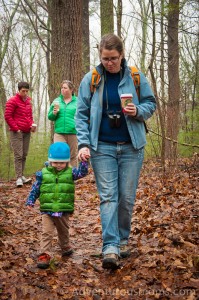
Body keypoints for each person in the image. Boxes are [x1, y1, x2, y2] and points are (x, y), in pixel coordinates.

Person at [75, 33, 156, 269]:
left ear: (121, 55)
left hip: (132, 146)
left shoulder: (136, 76)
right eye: (105, 58)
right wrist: (83, 143)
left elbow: (151, 104)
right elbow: (80, 115)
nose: (109, 62)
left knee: (126, 198)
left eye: (113, 58)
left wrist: (137, 111)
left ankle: (122, 240)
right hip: (102, 148)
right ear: (100, 56)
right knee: (108, 197)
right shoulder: (91, 79)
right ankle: (110, 246)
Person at [26, 142, 88, 269]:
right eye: (55, 162)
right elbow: (35, 188)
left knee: (63, 231)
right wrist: (31, 200)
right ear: (50, 161)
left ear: (67, 162)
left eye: (62, 162)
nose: (59, 165)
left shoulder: (71, 173)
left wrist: (83, 162)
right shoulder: (43, 174)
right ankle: (44, 254)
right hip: (47, 210)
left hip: (63, 210)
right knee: (46, 232)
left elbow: (82, 173)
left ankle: (65, 246)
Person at [4, 81, 36, 187]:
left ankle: (21, 175)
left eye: (27, 91)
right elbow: (8, 116)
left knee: (24, 154)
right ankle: (18, 178)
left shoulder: (28, 101)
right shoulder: (12, 101)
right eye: (23, 91)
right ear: (19, 90)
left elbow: (29, 116)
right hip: (16, 132)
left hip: (27, 131)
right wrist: (16, 128)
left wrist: (32, 125)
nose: (25, 93)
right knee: (18, 155)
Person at [48, 80, 78, 167]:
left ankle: (72, 176)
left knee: (72, 156)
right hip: (59, 132)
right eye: (62, 88)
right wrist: (54, 113)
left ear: (71, 89)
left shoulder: (78, 101)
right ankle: (60, 177)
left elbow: (82, 116)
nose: (62, 90)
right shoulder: (56, 101)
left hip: (73, 132)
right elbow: (50, 117)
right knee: (60, 154)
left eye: (65, 88)